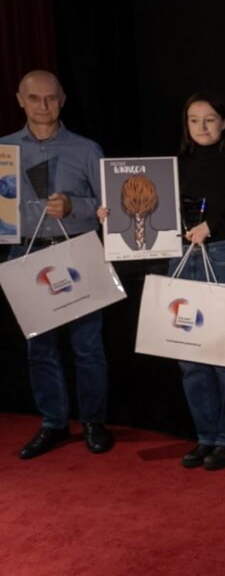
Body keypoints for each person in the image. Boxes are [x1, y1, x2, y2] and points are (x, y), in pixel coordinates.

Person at [3, 70, 113, 459]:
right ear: (20, 100)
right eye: (35, 98)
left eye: (51, 98)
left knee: (88, 346)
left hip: (78, 252)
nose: (44, 106)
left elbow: (109, 208)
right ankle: (53, 422)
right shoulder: (5, 151)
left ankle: (93, 422)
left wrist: (74, 206)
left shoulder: (86, 149)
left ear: (63, 99)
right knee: (40, 350)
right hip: (26, 256)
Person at [167, 93, 225, 470]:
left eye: (209, 119)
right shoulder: (175, 164)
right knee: (189, 354)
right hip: (181, 257)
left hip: (222, 257)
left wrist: (213, 224)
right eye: (193, 120)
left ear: (224, 122)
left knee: (223, 354)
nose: (201, 127)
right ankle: (205, 436)